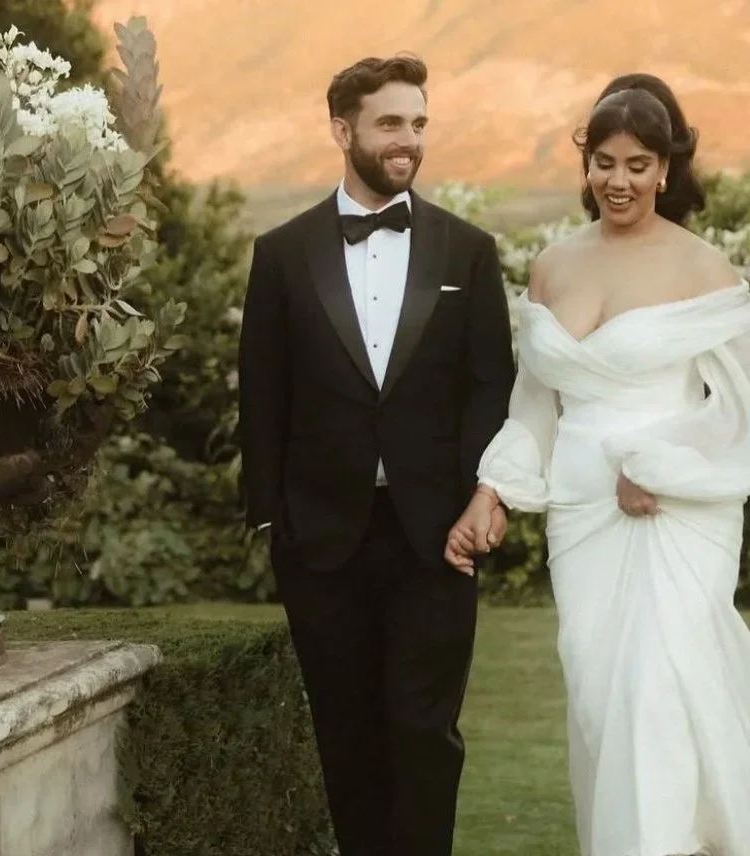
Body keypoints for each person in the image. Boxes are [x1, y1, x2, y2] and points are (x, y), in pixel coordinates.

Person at [445, 73, 750, 856]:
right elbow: (537, 403)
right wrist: (492, 489)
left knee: (660, 694)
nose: (618, 180)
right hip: (580, 512)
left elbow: (745, 409)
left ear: (667, 168)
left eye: (637, 164)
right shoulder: (552, 267)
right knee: (601, 700)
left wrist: (659, 464)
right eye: (604, 161)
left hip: (675, 507)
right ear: (585, 164)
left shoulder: (703, 269)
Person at [237, 53, 515, 856]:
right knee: (346, 734)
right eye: (391, 122)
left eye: (419, 123)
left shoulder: (468, 251)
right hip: (322, 541)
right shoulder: (282, 254)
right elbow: (263, 393)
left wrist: (482, 497)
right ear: (342, 130)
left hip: (437, 536)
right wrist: (272, 523)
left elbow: (491, 387)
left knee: (426, 732)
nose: (409, 140)